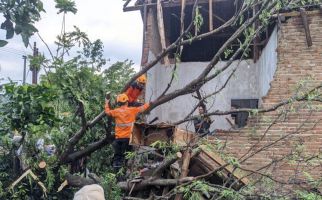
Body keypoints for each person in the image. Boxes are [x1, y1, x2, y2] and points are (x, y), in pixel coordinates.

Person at [105, 93, 149, 169]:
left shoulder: (116, 111)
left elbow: (107, 112)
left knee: (118, 157)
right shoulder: (132, 110)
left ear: (118, 103)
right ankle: (126, 171)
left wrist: (106, 103)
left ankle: (117, 172)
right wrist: (150, 103)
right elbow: (142, 108)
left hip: (118, 139)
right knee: (127, 157)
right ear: (127, 102)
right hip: (128, 139)